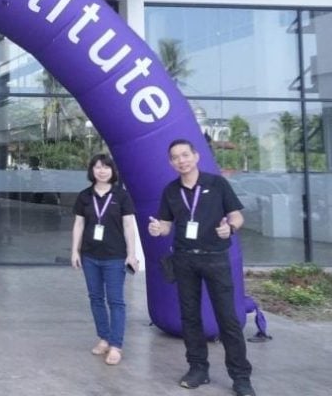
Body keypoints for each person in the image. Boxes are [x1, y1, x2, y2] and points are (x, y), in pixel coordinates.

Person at [147, 139, 255, 396]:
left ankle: (240, 377)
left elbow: (237, 215)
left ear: (196, 156)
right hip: (185, 260)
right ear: (171, 162)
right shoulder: (171, 190)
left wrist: (230, 227)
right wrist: (158, 228)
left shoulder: (217, 184)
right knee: (190, 317)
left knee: (227, 318)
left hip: (215, 258)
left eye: (185, 155)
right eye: (175, 157)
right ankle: (198, 368)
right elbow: (166, 224)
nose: (181, 160)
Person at [70, 154, 138, 366]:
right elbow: (79, 224)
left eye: (106, 167)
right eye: (98, 167)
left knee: (116, 301)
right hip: (90, 256)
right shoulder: (85, 196)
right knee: (96, 298)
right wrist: (75, 251)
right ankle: (104, 338)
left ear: (112, 171)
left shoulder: (121, 196)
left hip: (115, 256)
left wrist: (132, 253)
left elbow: (129, 225)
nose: (102, 171)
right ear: (92, 171)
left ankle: (116, 345)